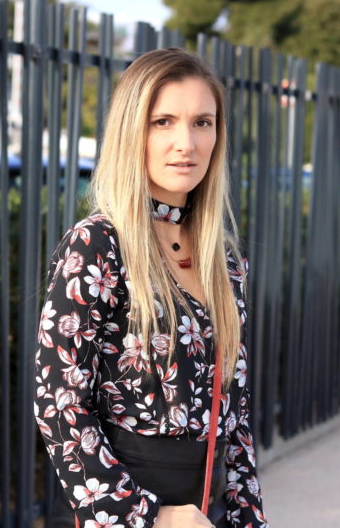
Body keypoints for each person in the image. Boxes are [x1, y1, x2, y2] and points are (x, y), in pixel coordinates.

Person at [34, 47, 267, 528]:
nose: (187, 142)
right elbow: (59, 402)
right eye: (164, 122)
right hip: (120, 509)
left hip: (204, 508)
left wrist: (248, 516)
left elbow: (236, 415)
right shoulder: (99, 244)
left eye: (202, 122)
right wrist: (148, 516)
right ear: (132, 131)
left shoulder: (223, 260)